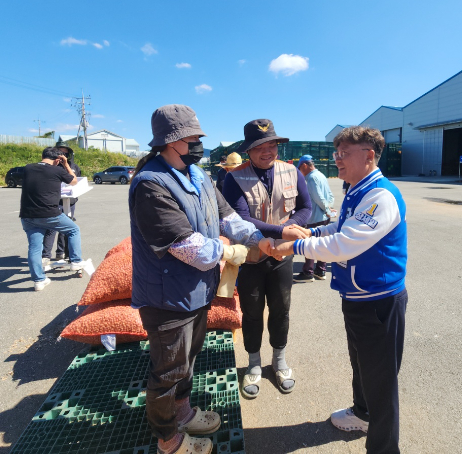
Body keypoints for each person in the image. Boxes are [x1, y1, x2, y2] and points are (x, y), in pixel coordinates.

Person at [130, 104, 269, 454]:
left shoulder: (200, 177)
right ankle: (168, 439)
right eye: (190, 139)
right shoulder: (151, 184)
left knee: (187, 361)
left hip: (197, 292)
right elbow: (187, 247)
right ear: (169, 141)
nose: (197, 145)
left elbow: (228, 218)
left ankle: (183, 411)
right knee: (167, 371)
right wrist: (228, 251)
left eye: (197, 139)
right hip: (167, 298)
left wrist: (257, 239)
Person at [271, 126, 408, 454]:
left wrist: (296, 247)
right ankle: (361, 414)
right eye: (336, 154)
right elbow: (341, 226)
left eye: (345, 154)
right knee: (361, 364)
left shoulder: (381, 196)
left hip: (379, 301)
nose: (338, 160)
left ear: (369, 155)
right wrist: (311, 230)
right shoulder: (357, 189)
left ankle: (384, 449)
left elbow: (345, 245)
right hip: (357, 297)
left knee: (381, 380)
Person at [222, 119, 312, 399]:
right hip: (251, 258)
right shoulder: (234, 177)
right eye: (260, 146)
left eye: (272, 144)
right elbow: (240, 219)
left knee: (281, 309)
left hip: (282, 256)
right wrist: (281, 231)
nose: (268, 151)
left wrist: (293, 227)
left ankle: (280, 361)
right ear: (249, 150)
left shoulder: (292, 172)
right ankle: (253, 364)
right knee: (251, 313)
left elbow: (305, 207)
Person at [20, 147, 86, 291]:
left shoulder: (28, 168)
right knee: (74, 229)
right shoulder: (57, 170)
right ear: (58, 160)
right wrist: (66, 164)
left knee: (34, 248)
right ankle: (75, 261)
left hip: (27, 216)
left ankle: (39, 280)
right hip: (49, 214)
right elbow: (74, 181)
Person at [294, 155, 335, 283]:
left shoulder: (311, 178)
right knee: (322, 244)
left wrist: (327, 210)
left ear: (305, 165)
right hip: (323, 217)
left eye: (300, 168)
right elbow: (330, 195)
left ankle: (308, 272)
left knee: (310, 244)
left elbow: (318, 198)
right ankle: (321, 270)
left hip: (314, 217)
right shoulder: (321, 175)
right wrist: (329, 209)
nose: (300, 171)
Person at [42, 139, 82, 268]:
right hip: (54, 201)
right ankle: (45, 256)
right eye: (60, 152)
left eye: (65, 153)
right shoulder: (52, 166)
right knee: (51, 228)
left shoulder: (73, 167)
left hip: (70, 201)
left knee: (67, 228)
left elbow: (78, 181)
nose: (63, 156)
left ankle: (62, 253)